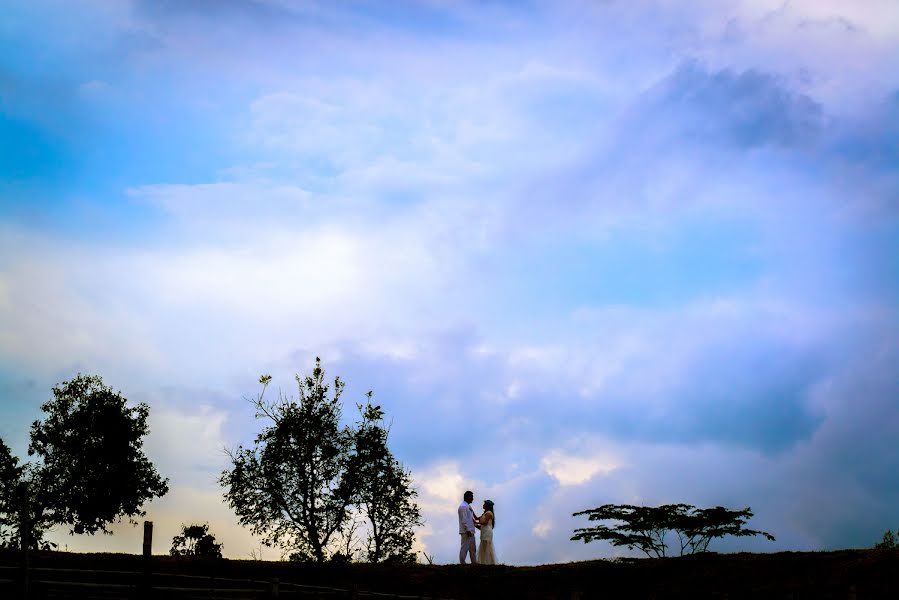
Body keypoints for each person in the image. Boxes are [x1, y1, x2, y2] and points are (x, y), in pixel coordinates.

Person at [458, 490, 478, 564]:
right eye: (472, 497)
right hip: (466, 531)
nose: (473, 499)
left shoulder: (468, 506)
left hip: (471, 530)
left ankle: (474, 562)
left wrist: (476, 526)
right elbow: (464, 519)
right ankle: (462, 562)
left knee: (473, 548)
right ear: (468, 497)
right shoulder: (463, 506)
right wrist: (467, 530)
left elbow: (471, 518)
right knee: (464, 547)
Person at [477, 499, 498, 565]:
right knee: (483, 547)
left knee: (487, 547)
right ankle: (484, 563)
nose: (483, 505)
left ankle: (489, 563)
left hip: (487, 532)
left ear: (487, 505)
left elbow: (485, 522)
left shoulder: (489, 513)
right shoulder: (485, 513)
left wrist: (475, 522)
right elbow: (477, 518)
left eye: (484, 504)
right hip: (484, 532)